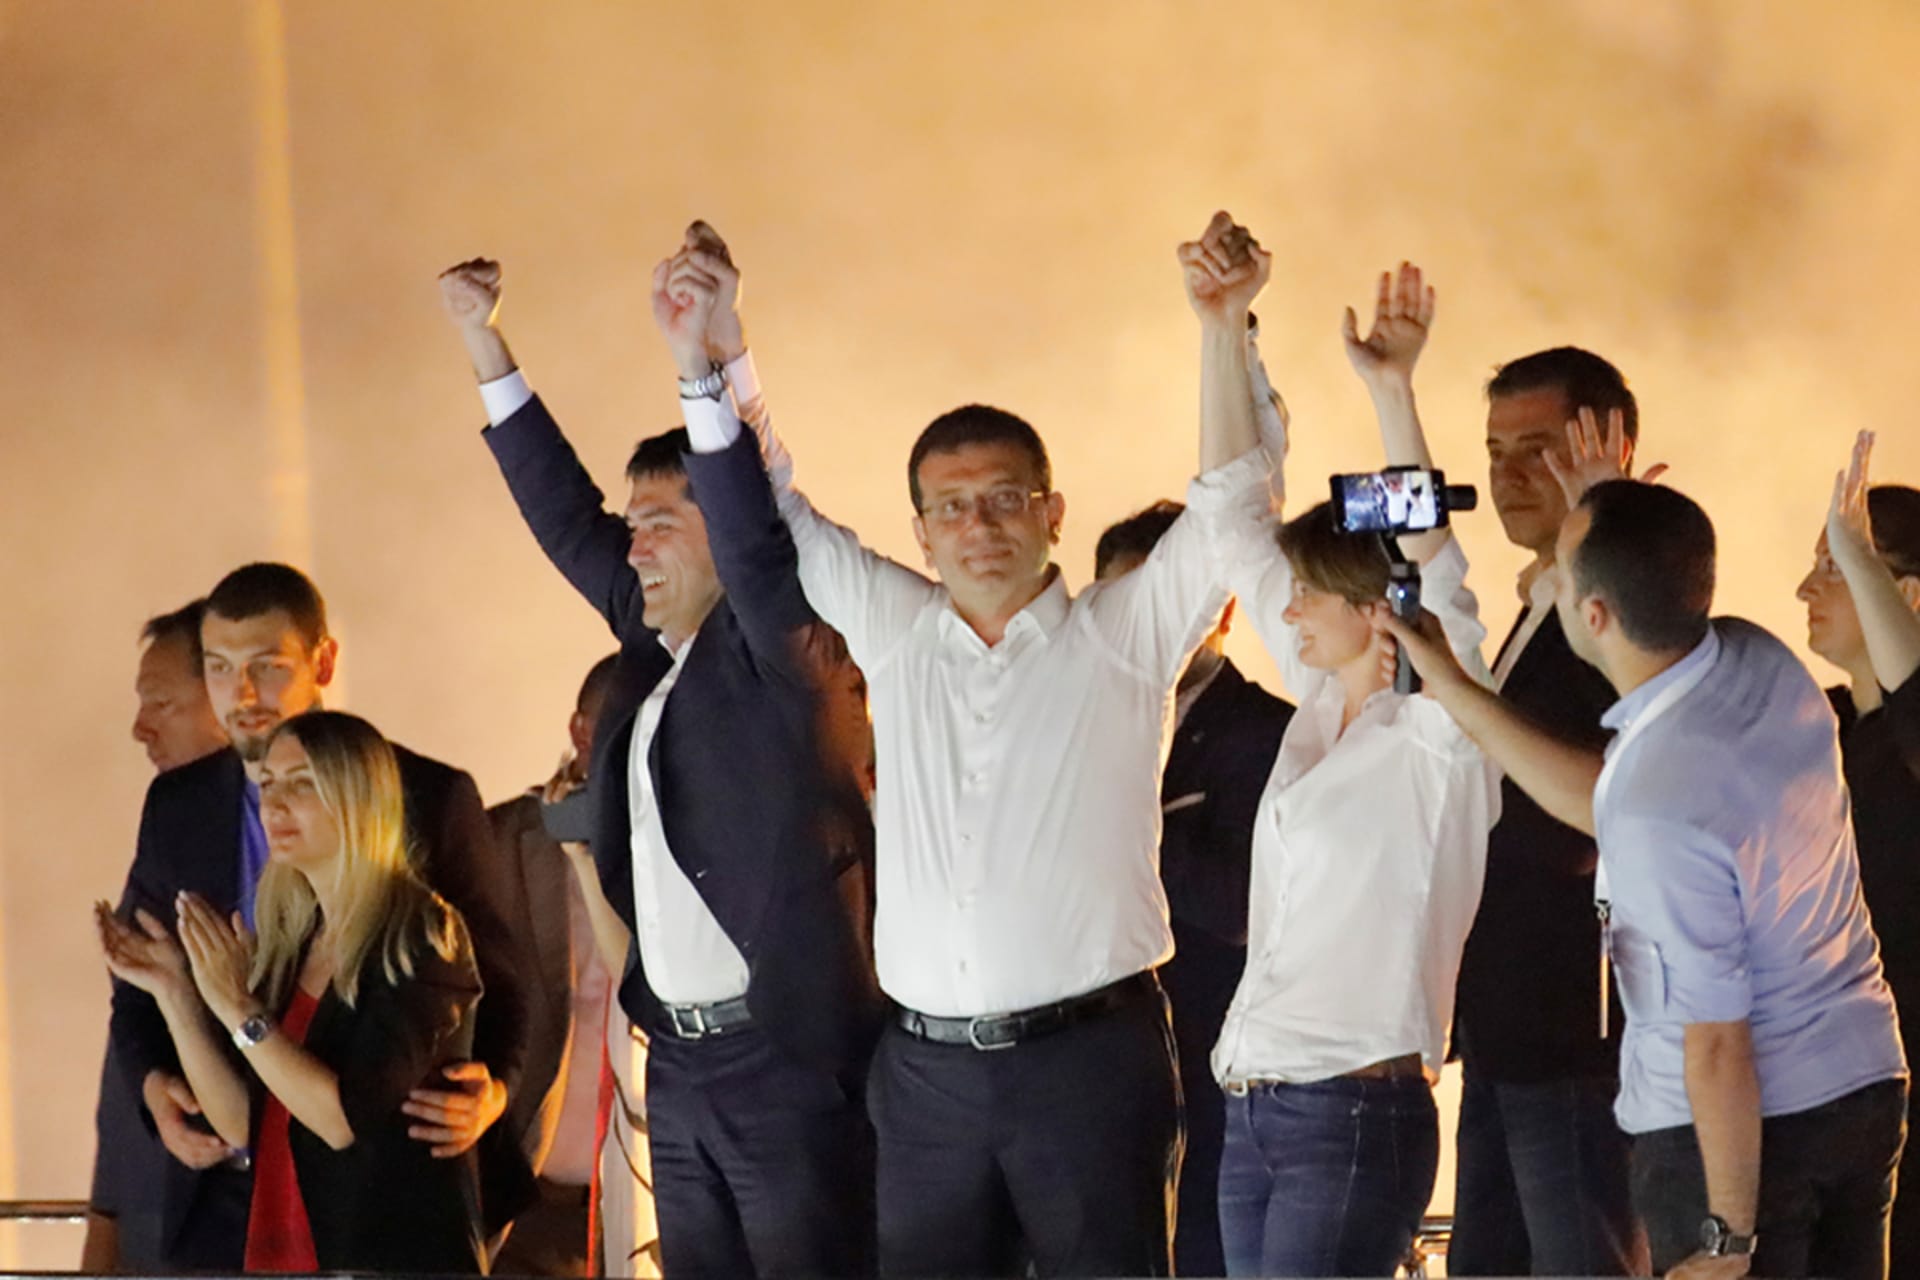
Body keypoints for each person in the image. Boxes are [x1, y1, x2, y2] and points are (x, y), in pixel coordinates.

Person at [654, 213, 1269, 1277]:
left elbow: (1230, 513)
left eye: (1003, 500)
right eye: (950, 507)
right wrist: (715, 355)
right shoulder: (897, 631)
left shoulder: (1121, 636)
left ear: (1052, 511)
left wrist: (1225, 329)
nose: (978, 525)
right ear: (923, 529)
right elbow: (777, 511)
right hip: (926, 1072)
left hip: (1091, 1060)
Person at [440, 242, 882, 1279]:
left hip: (783, 1060)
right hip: (678, 1066)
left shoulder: (785, 647)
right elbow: (564, 516)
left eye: (660, 524)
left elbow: (756, 531)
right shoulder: (653, 652)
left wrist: (702, 366)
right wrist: (481, 340)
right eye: (630, 524)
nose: (631, 545)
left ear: (725, 537)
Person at [1385, 431, 1908, 1280]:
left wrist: (1727, 1238)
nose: (1540, 580)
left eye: (1556, 573)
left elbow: (1715, 1044)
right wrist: (1452, 685)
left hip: (1733, 1143)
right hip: (1861, 1086)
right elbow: (1602, 793)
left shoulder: (1659, 808)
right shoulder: (1764, 664)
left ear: (1590, 617)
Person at [104, 563, 533, 1270]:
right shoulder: (287, 922)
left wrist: (496, 1090)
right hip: (253, 1203)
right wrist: (183, 998)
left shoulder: (421, 882)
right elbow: (248, 1115)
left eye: (265, 667)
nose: (240, 695)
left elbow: (502, 988)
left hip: (382, 1212)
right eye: (217, 668)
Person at [1204, 261, 1501, 1277]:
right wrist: (1224, 335)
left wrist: (1392, 391)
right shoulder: (1324, 699)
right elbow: (1231, 527)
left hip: (1353, 1106)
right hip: (1254, 1106)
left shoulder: (1437, 731)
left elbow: (1446, 584)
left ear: (1368, 600)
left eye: (1306, 595)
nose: (1284, 614)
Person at [97, 711, 489, 1272]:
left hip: (385, 1257)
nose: (274, 805)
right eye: (268, 784)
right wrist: (178, 995)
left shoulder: (419, 932)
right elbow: (239, 1123)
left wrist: (239, 1009)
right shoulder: (293, 934)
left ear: (358, 798)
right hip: (282, 1253)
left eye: (302, 784)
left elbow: (340, 1120)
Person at [1450, 347, 1647, 1276]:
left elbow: (1594, 805)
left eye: (1536, 447)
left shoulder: (1632, 604)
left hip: (1573, 1022)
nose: (1507, 474)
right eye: (1494, 450)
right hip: (1504, 1019)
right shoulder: (1536, 599)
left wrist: (1608, 522)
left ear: (1605, 445)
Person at [1092, 501, 1292, 1278]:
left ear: (1225, 611)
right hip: (1084, 1063)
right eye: (1122, 607)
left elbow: (1242, 907)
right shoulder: (1080, 720)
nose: (1145, 627)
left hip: (1211, 1066)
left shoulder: (1267, 733)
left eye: (1167, 603)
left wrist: (1130, 809)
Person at [1796, 429, 1920, 1274]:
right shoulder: (1821, 726)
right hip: (1833, 1099)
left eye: (1835, 564)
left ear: (1904, 593)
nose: (1805, 584)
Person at [84, 601, 234, 1274]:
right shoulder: (170, 827)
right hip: (162, 1219)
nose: (140, 729)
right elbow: (133, 1032)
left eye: (162, 703)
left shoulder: (332, 826)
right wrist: (105, 1224)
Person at [489, 653, 622, 1276]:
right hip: (526, 1203)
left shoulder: (707, 854)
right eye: (626, 725)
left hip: (655, 1200)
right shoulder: (493, 844)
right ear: (580, 731)